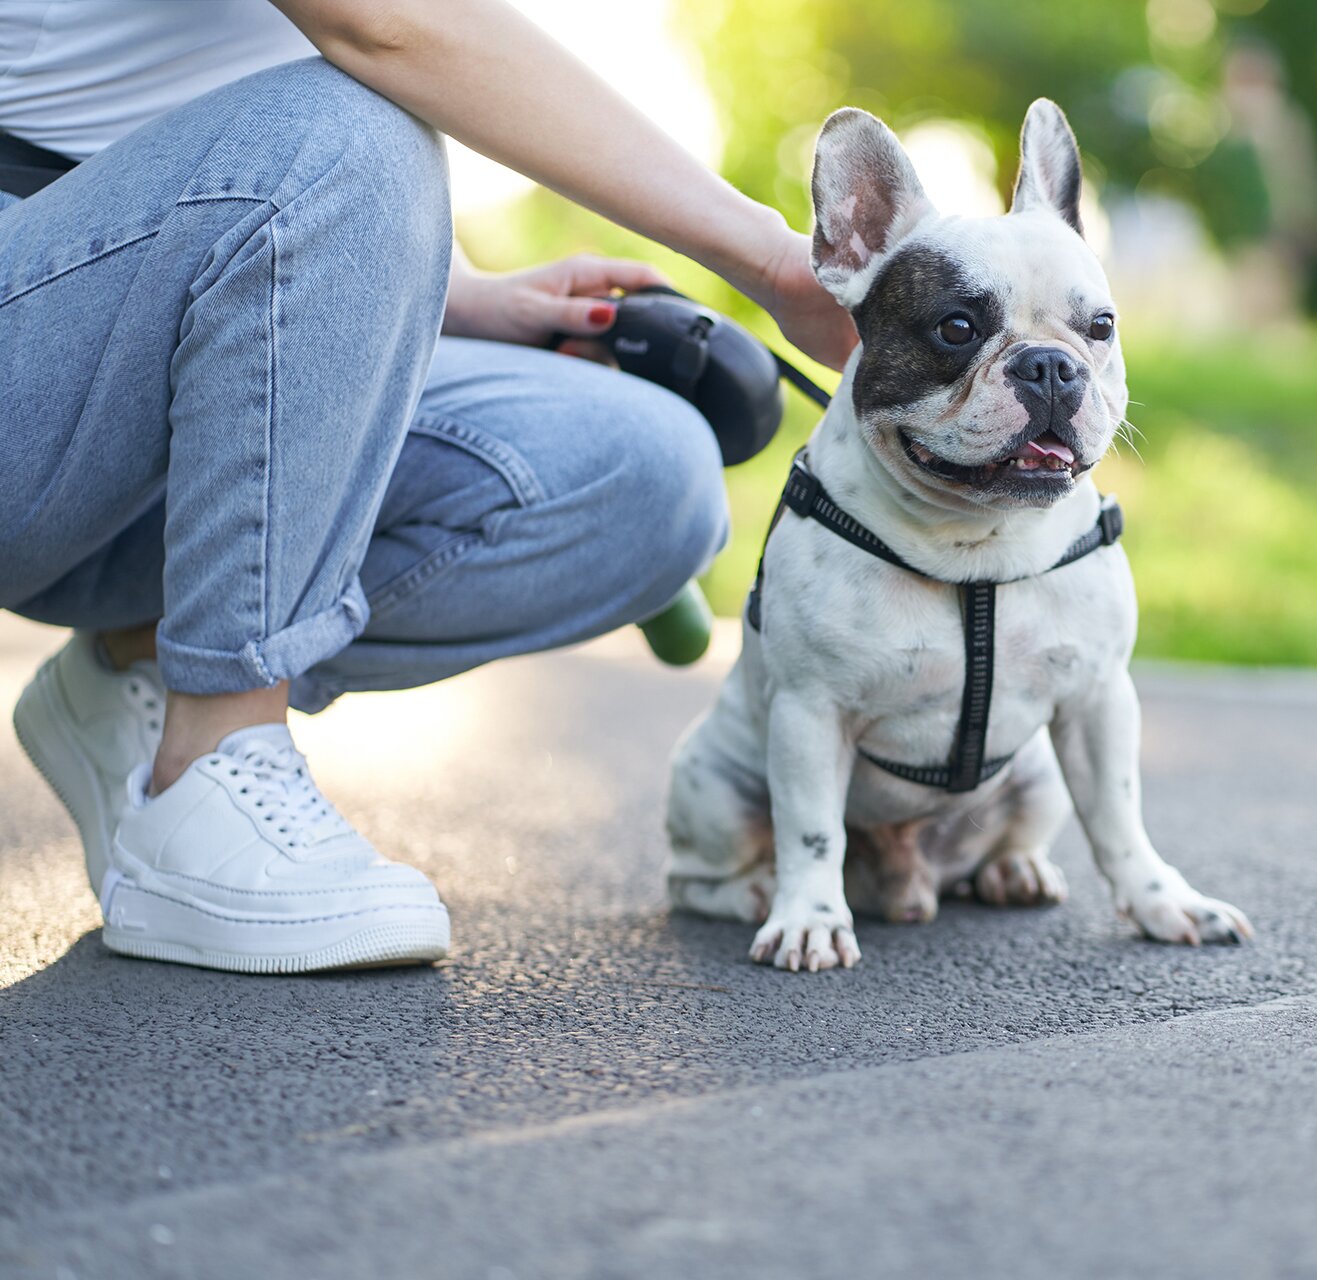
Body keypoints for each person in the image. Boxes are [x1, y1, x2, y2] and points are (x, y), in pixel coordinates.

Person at [0, 0, 858, 974]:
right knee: (354, 127)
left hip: (138, 291)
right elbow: (390, 26)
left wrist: (452, 294)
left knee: (649, 471)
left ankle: (139, 658)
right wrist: (781, 260)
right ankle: (213, 760)